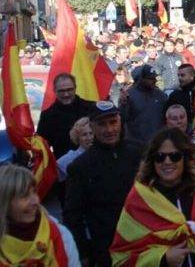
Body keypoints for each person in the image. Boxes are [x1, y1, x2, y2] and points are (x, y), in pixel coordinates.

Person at [110, 128, 195, 267]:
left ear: (185, 157)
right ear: (152, 160)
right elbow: (122, 257)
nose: (167, 161)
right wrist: (163, 259)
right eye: (160, 157)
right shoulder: (139, 197)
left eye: (175, 156)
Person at [0, 164, 80, 266]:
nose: (36, 201)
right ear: (2, 203)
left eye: (34, 192)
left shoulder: (58, 235)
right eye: (24, 195)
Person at [64, 101, 142, 266]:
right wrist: (83, 252)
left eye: (113, 122)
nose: (109, 130)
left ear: (120, 121)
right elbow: (73, 215)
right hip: (107, 250)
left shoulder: (139, 152)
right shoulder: (80, 167)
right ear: (92, 126)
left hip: (144, 241)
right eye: (102, 124)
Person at [37, 73, 95, 159]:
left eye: (69, 90)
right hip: (63, 167)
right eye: (61, 91)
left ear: (75, 88)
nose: (66, 94)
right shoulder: (47, 116)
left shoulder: (91, 108)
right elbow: (42, 147)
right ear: (54, 91)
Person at [120, 64, 169, 144]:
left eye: (154, 78)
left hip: (158, 142)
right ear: (141, 79)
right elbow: (122, 118)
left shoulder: (160, 95)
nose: (154, 80)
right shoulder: (128, 95)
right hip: (136, 144)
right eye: (150, 79)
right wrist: (123, 105)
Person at [57, 117, 94, 182]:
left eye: (91, 133)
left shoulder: (102, 153)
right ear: (77, 138)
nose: (89, 138)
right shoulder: (70, 158)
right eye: (84, 135)